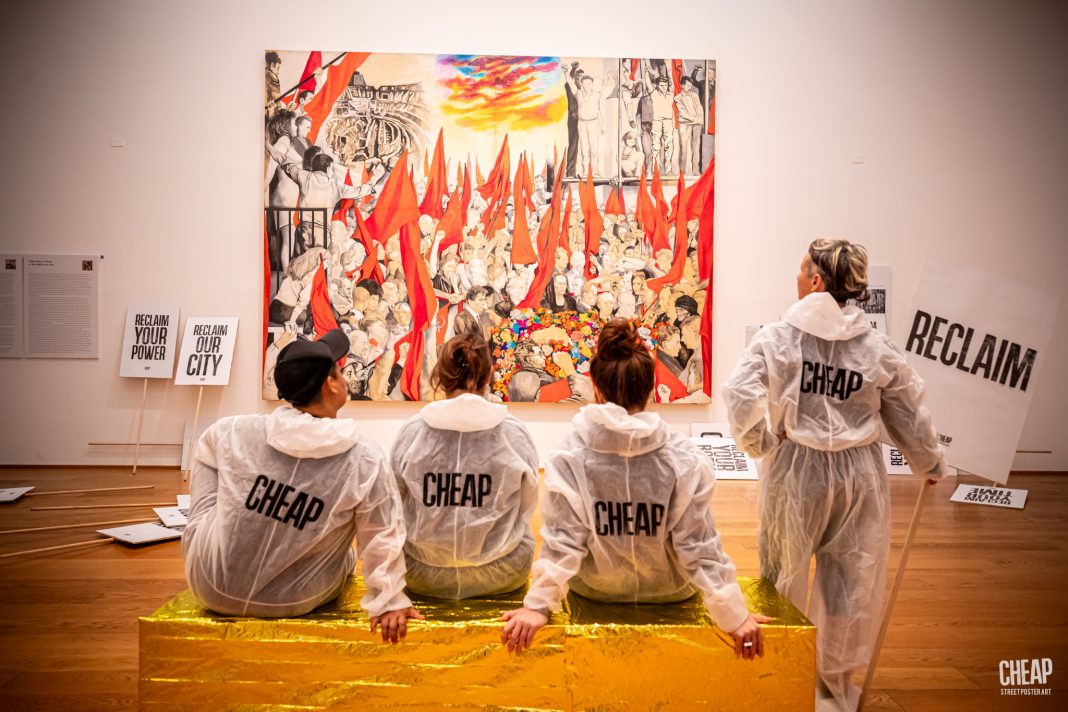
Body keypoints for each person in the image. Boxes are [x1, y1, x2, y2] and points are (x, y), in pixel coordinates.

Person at [722, 239, 946, 711]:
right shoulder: (873, 345)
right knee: (849, 585)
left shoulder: (779, 338)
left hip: (795, 470)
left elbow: (740, 393)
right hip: (858, 475)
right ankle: (833, 690)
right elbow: (906, 410)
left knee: (781, 576)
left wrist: (761, 443)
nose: (796, 277)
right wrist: (929, 462)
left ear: (816, 281)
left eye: (801, 269)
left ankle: (781, 682)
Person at [500, 319, 766, 657]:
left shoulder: (570, 455)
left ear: (596, 388)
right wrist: (733, 614)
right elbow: (699, 545)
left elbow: (563, 541)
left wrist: (537, 607)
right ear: (651, 387)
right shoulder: (683, 457)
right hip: (670, 592)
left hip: (596, 591)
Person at [183, 329, 423, 642]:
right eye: (340, 372)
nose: (344, 379)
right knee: (348, 553)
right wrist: (388, 599)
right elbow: (382, 532)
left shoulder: (234, 430)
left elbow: (206, 453)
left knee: (213, 470)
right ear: (331, 383)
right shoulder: (363, 457)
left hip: (211, 584)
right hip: (300, 597)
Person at [390, 333, 539, 598]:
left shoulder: (412, 431)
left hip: (421, 574)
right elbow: (527, 503)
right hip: (503, 572)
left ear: (440, 374)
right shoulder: (514, 432)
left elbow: (395, 503)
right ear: (489, 375)